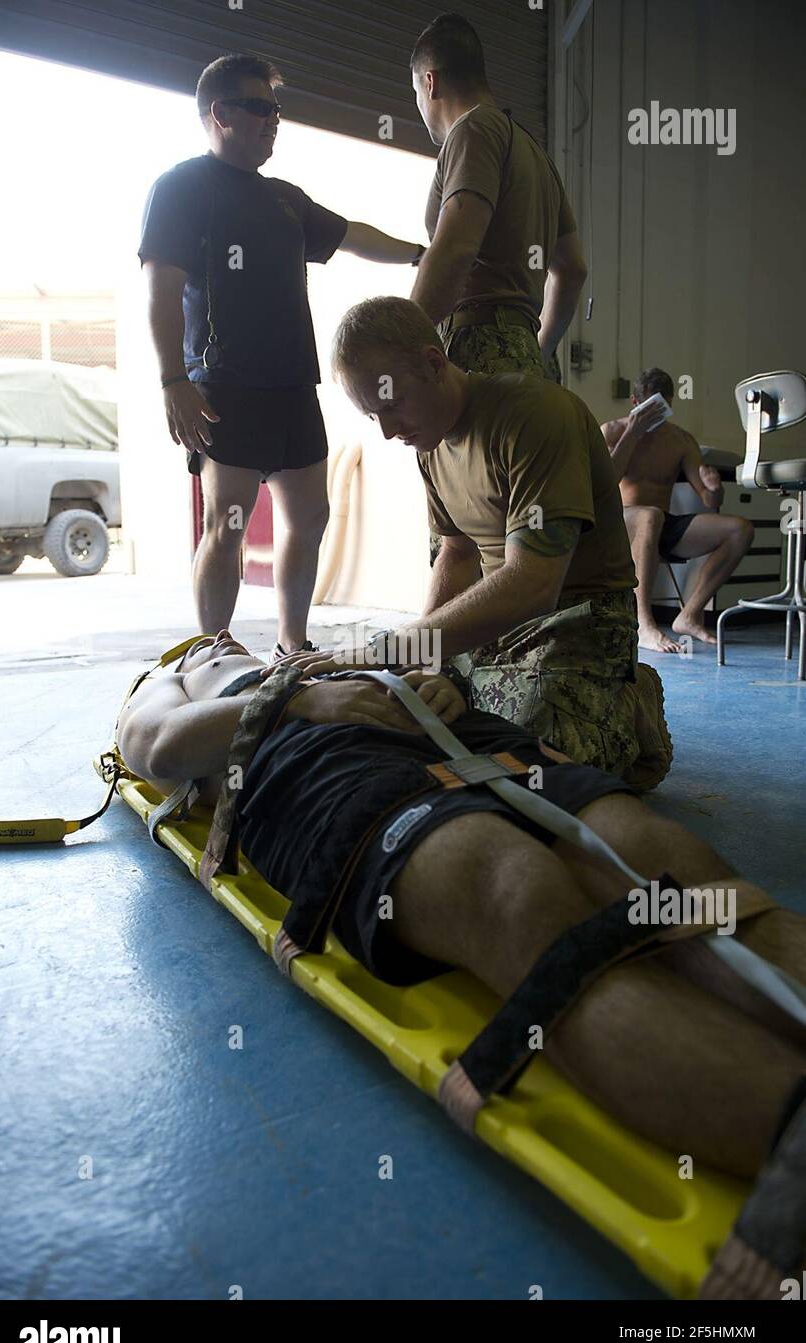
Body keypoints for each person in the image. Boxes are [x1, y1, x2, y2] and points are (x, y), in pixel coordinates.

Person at [116, 629, 806, 1187]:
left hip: (444, 734)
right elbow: (152, 747)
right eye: (206, 642)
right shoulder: (176, 678)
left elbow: (419, 659)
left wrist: (435, 687)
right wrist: (286, 701)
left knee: (675, 865)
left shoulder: (315, 656)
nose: (220, 639)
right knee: (515, 891)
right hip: (304, 764)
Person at [282, 296, 673, 791]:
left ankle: (630, 696)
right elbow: (457, 552)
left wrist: (382, 649)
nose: (386, 432)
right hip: (496, 627)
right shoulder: (428, 443)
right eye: (371, 417)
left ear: (433, 362)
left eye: (391, 405)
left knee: (534, 769)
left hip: (578, 619)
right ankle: (477, 684)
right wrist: (425, 662)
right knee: (385, 711)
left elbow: (534, 585)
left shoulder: (535, 415)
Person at [138, 52, 427, 658]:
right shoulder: (180, 187)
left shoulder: (287, 200)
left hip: (295, 386)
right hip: (225, 387)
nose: (273, 121)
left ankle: (292, 641)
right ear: (219, 113)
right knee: (228, 525)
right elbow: (161, 290)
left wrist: (420, 255)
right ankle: (212, 647)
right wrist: (173, 381)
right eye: (259, 108)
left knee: (310, 518)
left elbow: (352, 235)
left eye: (276, 110)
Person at [409, 13, 587, 382]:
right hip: (525, 357)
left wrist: (402, 346)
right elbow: (572, 269)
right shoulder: (536, 154)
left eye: (415, 94)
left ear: (431, 83)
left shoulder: (472, 129)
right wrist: (539, 348)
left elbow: (456, 249)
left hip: (475, 348)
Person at [601, 368, 754, 653]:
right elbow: (604, 483)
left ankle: (690, 615)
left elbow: (709, 500)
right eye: (650, 407)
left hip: (662, 525)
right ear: (635, 402)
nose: (657, 415)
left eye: (663, 407)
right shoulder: (612, 431)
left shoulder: (681, 440)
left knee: (740, 529)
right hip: (619, 522)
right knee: (649, 515)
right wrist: (632, 433)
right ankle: (644, 624)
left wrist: (714, 488)